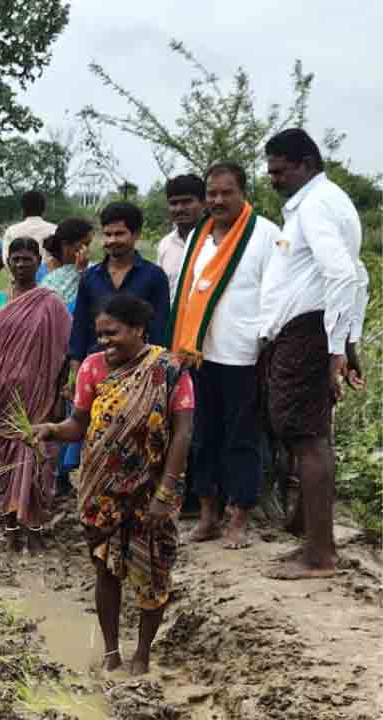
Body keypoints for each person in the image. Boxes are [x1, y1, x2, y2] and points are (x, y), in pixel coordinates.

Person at [31, 294, 194, 676]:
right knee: (106, 569)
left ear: (138, 329)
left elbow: (183, 433)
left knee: (153, 573)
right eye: (100, 334)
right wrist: (52, 429)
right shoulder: (91, 368)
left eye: (113, 333)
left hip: (151, 491)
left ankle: (143, 654)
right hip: (101, 491)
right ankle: (111, 652)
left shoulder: (170, 370)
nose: (105, 342)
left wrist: (165, 493)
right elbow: (79, 424)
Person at [259, 129, 361, 581]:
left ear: (305, 163)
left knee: (308, 437)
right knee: (309, 432)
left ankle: (319, 555)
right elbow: (356, 274)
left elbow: (342, 274)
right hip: (309, 331)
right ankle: (310, 536)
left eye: (279, 171)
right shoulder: (324, 202)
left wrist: (338, 348)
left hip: (307, 333)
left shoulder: (318, 205)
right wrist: (348, 340)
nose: (273, 179)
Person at [170, 163, 276, 551]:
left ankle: (239, 519)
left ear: (243, 192)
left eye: (225, 192)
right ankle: (208, 516)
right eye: (211, 193)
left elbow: (274, 296)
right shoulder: (198, 236)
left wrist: (265, 348)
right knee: (202, 438)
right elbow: (185, 293)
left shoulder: (264, 235)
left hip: (244, 356)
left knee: (242, 439)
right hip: (199, 355)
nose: (217, 200)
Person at [0, 239, 72, 553]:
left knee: (40, 456)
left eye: (27, 259)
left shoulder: (51, 303)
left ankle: (35, 528)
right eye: (15, 259)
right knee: (9, 457)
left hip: (42, 396)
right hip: (6, 395)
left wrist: (60, 397)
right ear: (7, 262)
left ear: (38, 261)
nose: (20, 264)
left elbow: (65, 354)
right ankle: (10, 527)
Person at [68, 202, 170, 386]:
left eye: (119, 234)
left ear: (136, 234)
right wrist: (75, 372)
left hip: (139, 371)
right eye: (107, 234)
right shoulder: (90, 277)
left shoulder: (154, 276)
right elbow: (80, 326)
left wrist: (155, 374)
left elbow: (159, 329)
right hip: (95, 370)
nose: (112, 240)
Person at [39, 218, 95, 497]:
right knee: (64, 411)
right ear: (69, 247)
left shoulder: (91, 274)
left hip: (85, 353)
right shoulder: (55, 280)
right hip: (61, 355)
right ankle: (57, 474)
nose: (88, 250)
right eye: (84, 244)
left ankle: (65, 473)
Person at [158, 175, 206, 300]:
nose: (179, 208)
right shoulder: (165, 244)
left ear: (204, 203)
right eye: (173, 203)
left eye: (187, 202)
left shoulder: (216, 242)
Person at [39, 218, 94, 308]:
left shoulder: (93, 270)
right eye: (85, 244)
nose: (87, 250)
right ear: (65, 245)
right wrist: (80, 272)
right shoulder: (41, 274)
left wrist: (83, 272)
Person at [2, 190, 56, 263]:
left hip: (18, 270)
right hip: (51, 270)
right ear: (44, 209)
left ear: (23, 209)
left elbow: (6, 260)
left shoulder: (11, 231)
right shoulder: (55, 230)